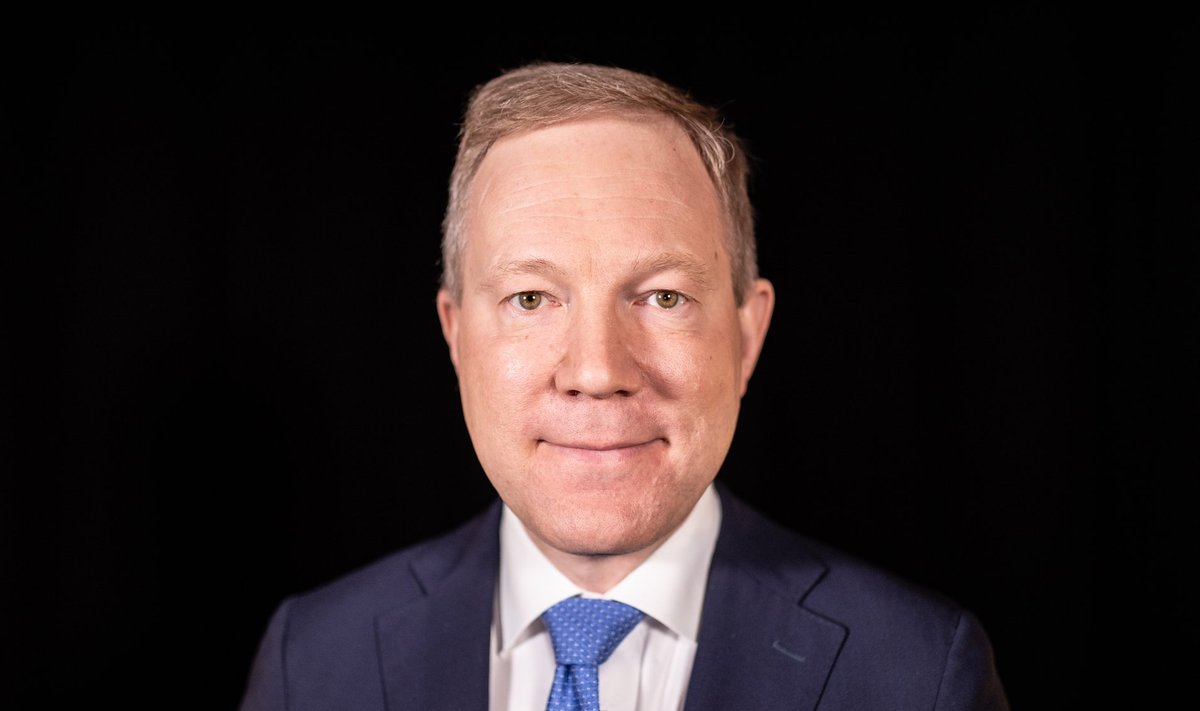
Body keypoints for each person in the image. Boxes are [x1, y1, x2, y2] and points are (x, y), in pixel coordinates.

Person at [238, 61, 1010, 711]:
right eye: (531, 298)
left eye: (663, 296)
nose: (597, 371)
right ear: (456, 334)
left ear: (747, 335)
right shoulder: (312, 662)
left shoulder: (919, 674)